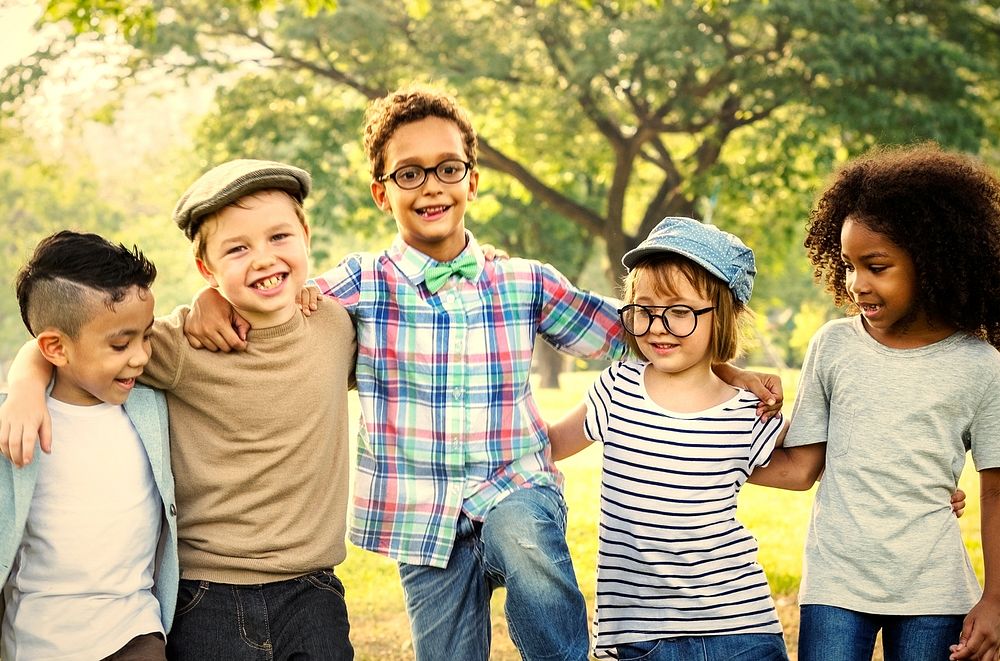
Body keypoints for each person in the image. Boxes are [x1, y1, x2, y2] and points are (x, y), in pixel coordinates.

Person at [181, 87, 784, 660]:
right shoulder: (360, 283)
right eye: (408, 173)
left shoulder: (523, 280)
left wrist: (728, 369)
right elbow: (276, 301)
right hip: (420, 514)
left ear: (472, 178)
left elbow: (644, 330)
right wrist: (213, 301)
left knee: (528, 547)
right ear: (380, 192)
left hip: (512, 484)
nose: (431, 186)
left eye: (448, 168)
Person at [0, 160, 357, 659]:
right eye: (237, 249)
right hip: (209, 592)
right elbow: (68, 347)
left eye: (279, 237)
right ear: (206, 269)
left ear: (305, 235)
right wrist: (24, 384)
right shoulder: (180, 345)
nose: (263, 259)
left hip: (313, 589)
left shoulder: (338, 325)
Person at [776, 144, 1000, 661]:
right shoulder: (832, 346)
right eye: (849, 265)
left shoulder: (980, 366)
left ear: (933, 262)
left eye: (876, 266)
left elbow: (994, 492)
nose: (856, 283)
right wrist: (706, 418)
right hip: (835, 586)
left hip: (934, 589)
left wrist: (994, 599)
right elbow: (799, 466)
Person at [546, 216, 790, 660]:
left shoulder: (748, 409)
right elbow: (548, 444)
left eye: (679, 311)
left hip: (738, 631)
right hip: (640, 638)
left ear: (724, 315)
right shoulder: (617, 387)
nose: (658, 326)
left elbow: (803, 471)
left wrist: (920, 481)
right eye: (645, 310)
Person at [1, 231, 178, 660]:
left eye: (146, 337)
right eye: (120, 344)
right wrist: (24, 385)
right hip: (37, 641)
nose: (140, 356)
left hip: (135, 632)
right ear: (56, 348)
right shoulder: (16, 419)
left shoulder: (149, 403)